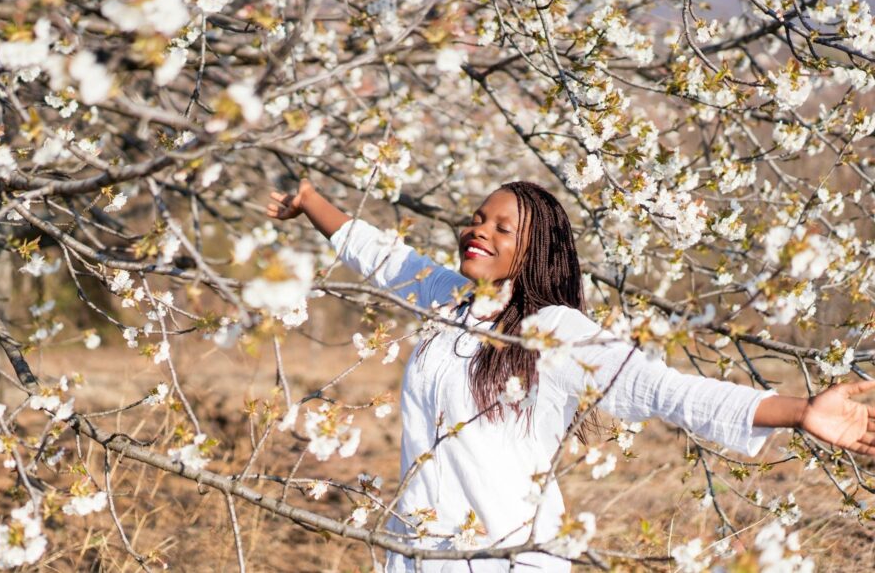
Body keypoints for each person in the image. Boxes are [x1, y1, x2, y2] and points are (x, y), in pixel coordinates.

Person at [267, 178, 875, 572]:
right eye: (478, 218)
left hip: (506, 559)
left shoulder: (552, 331)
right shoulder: (445, 300)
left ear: (533, 251)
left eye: (503, 228)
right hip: (420, 551)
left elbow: (665, 390)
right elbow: (381, 255)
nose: (478, 229)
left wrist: (796, 411)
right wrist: (310, 199)